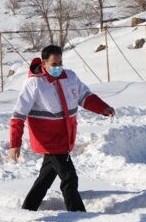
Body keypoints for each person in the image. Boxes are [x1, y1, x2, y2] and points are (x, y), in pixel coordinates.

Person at [9, 45, 115, 212]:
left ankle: (28, 209)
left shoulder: (70, 77)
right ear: (44, 63)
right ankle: (78, 214)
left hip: (66, 136)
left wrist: (103, 108)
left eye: (60, 63)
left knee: (45, 178)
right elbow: (18, 115)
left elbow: (85, 97)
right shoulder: (34, 84)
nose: (58, 67)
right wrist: (15, 143)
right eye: (54, 64)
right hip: (48, 139)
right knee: (69, 178)